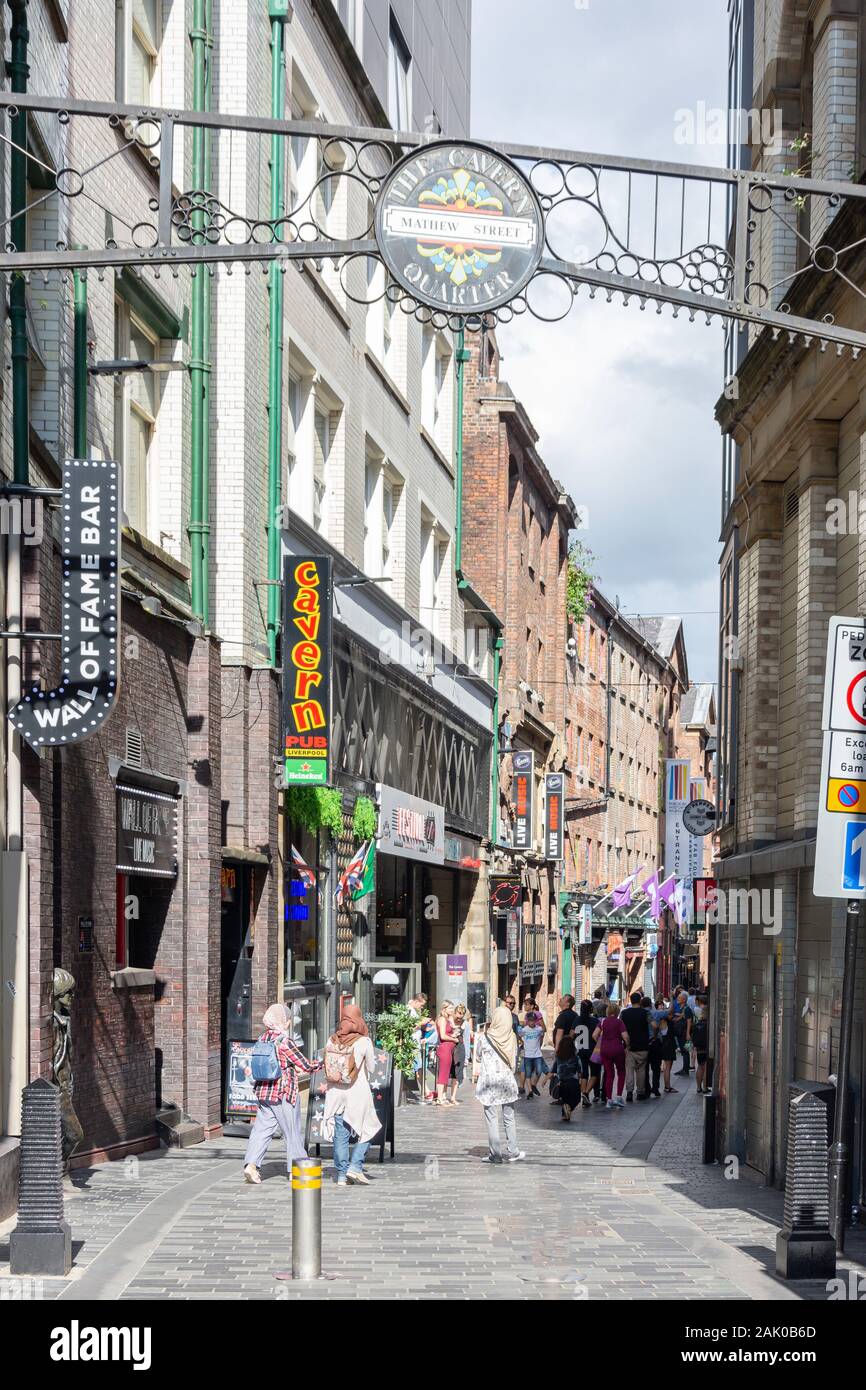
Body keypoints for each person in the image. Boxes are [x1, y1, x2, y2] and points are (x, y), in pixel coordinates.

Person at [243, 1003, 317, 1184]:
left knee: (261, 1130)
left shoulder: (262, 1038)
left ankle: (251, 1166)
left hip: (264, 1092)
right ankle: (297, 1170)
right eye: (288, 1019)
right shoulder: (284, 1041)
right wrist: (321, 1064)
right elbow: (305, 1065)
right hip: (283, 1093)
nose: (290, 1023)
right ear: (283, 1021)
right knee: (292, 1131)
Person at [322, 1003, 381, 1186]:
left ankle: (341, 1175)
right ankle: (355, 1167)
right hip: (358, 1092)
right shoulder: (363, 1041)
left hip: (335, 1093)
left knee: (341, 1134)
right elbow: (371, 1067)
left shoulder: (331, 1040)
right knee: (369, 1128)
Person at [472, 1007, 524, 1163]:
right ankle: (513, 1151)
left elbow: (479, 1057)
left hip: (489, 1083)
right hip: (507, 1081)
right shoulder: (512, 1037)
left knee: (491, 1118)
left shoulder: (484, 1037)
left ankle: (495, 1154)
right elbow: (515, 1058)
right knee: (509, 1117)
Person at [593, 1002, 629, 1108]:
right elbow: (625, 1036)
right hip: (617, 1049)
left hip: (605, 1050)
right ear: (617, 1012)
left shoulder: (603, 1022)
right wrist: (627, 1046)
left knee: (609, 1074)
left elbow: (594, 1035)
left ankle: (609, 1099)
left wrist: (601, 1042)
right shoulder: (619, 1022)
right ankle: (618, 1096)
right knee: (621, 1072)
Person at [620, 991, 651, 1103]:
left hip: (629, 1046)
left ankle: (629, 1092)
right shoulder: (645, 1013)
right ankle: (640, 1092)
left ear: (631, 1000)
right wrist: (654, 1035)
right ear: (640, 1001)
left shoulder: (624, 1013)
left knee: (629, 1070)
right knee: (641, 1070)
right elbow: (654, 1025)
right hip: (643, 1045)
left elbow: (620, 1028)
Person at [518, 1009, 546, 1098]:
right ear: (527, 1021)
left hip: (537, 1054)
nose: (531, 1022)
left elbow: (542, 1034)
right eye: (530, 1020)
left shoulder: (539, 1029)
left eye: (533, 1020)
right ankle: (530, 1091)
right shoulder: (524, 1030)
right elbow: (519, 1036)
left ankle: (533, 1086)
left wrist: (540, 1044)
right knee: (528, 1073)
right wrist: (522, 1042)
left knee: (539, 1071)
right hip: (528, 1055)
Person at [554, 1035, 582, 1121]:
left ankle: (565, 1114)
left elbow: (556, 1071)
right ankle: (569, 1108)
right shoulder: (576, 1057)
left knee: (565, 1100)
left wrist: (546, 1080)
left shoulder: (558, 1057)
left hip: (563, 1083)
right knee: (576, 1099)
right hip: (574, 1082)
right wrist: (580, 1081)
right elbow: (580, 1071)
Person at [575, 999, 597, 1108]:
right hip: (593, 1051)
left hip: (581, 1050)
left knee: (584, 1074)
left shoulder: (577, 1020)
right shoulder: (595, 1021)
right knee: (594, 1074)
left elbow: (571, 1034)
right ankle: (586, 1093)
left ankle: (584, 1095)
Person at [435, 1000, 458, 1105]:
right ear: (444, 1009)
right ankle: (439, 1098)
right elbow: (443, 1036)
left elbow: (450, 1032)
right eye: (450, 1008)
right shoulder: (442, 1019)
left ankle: (443, 1096)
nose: (452, 1010)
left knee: (446, 1073)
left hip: (449, 1049)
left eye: (452, 1008)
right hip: (444, 1049)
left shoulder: (448, 1019)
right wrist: (454, 1039)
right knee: (443, 1074)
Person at [449, 1003, 469, 1104]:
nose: (460, 1016)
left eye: (462, 1014)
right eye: (458, 1013)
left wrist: (467, 1057)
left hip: (460, 1049)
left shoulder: (465, 1024)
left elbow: (466, 1040)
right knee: (447, 1073)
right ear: (454, 1012)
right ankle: (443, 1096)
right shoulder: (449, 1021)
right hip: (449, 1048)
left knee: (457, 1074)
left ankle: (453, 1097)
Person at [692, 998, 710, 1093]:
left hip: (699, 1048)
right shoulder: (709, 1024)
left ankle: (698, 1087)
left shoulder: (697, 1024)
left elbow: (693, 1037)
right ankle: (705, 1087)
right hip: (707, 1047)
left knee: (700, 1066)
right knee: (706, 1067)